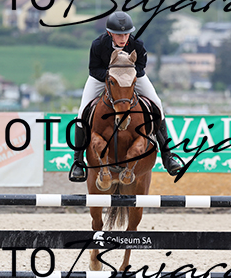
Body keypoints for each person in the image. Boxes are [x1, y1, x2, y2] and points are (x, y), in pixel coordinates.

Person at [69, 11, 182, 182]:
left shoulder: (137, 44)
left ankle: (168, 156)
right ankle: (78, 162)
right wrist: (111, 76)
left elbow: (141, 65)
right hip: (102, 78)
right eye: (119, 35)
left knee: (157, 104)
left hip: (132, 77)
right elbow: (94, 69)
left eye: (126, 34)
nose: (123, 38)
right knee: (82, 111)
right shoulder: (98, 44)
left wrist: (127, 76)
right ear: (110, 33)